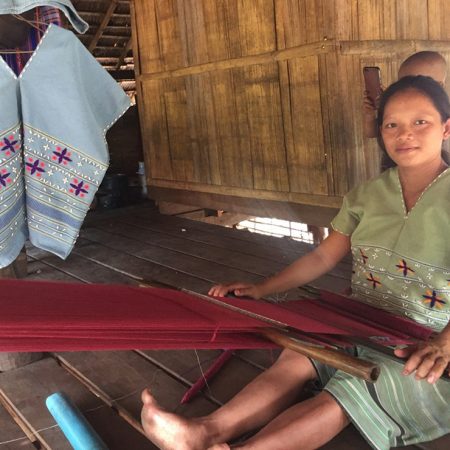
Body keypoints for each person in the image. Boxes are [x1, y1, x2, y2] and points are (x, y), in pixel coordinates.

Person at [140, 75, 450, 450]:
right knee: (299, 355)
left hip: (426, 342)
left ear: (446, 128)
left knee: (356, 386)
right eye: (392, 124)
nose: (405, 134)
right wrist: (262, 288)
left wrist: (444, 343)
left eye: (421, 122)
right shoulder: (367, 195)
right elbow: (323, 255)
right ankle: (205, 431)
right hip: (362, 320)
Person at [363, 51, 447, 138]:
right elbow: (372, 133)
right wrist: (371, 115)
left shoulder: (443, 111)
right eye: (402, 84)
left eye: (416, 83)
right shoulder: (399, 107)